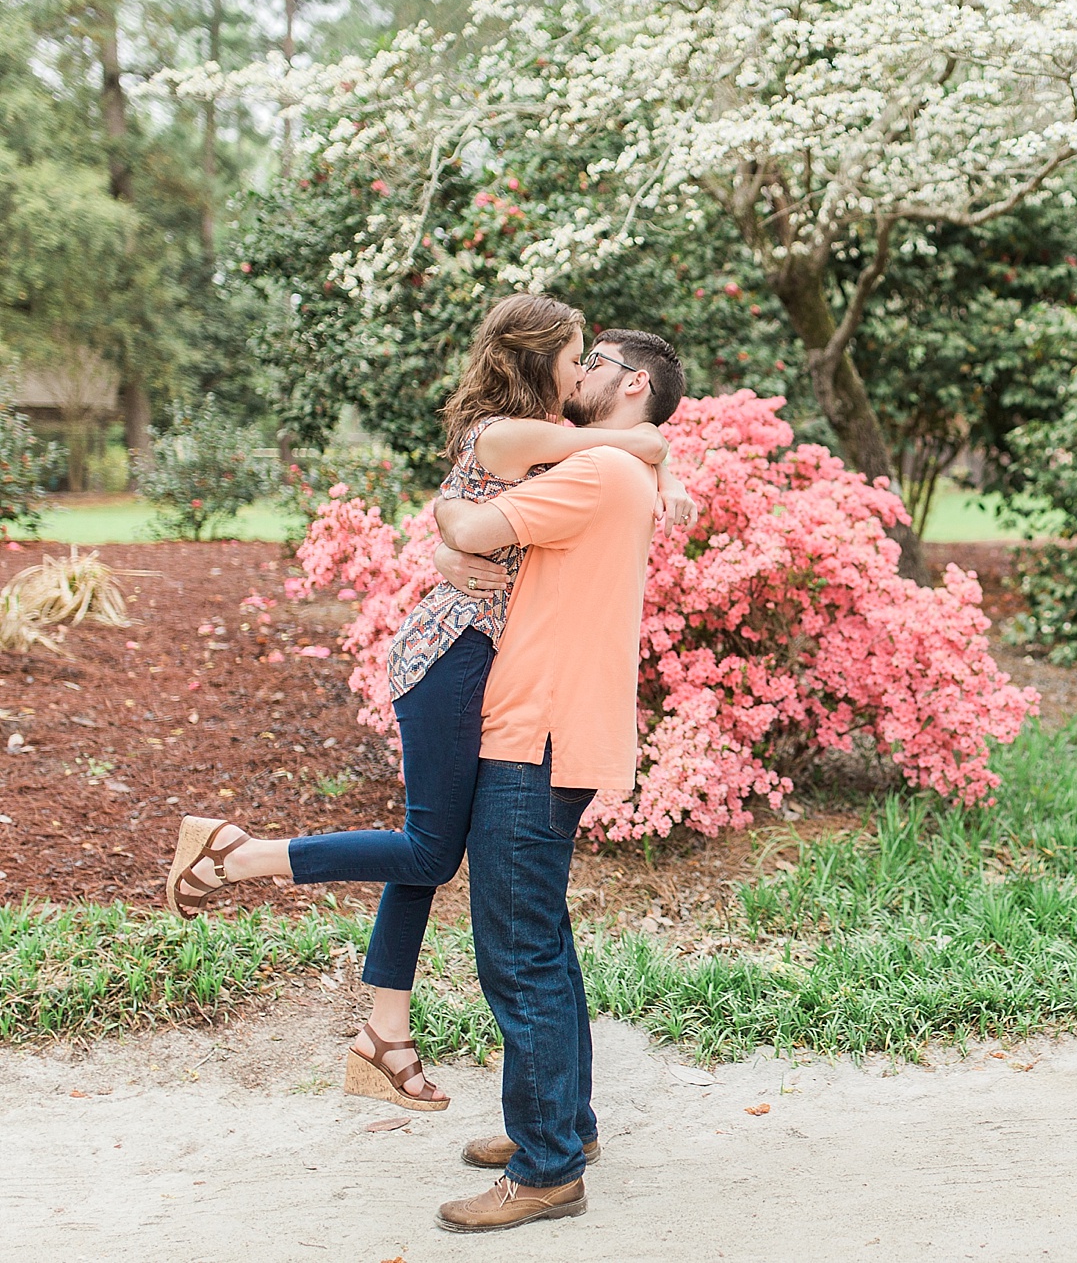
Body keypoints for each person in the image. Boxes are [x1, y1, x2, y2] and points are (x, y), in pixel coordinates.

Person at [163, 296, 695, 1115]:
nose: (582, 370)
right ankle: (235, 855)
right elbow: (621, 444)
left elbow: (611, 450)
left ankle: (385, 1032)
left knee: (430, 843)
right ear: (540, 357)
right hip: (452, 651)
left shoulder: (549, 440)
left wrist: (657, 466)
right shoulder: (518, 434)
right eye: (576, 355)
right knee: (427, 848)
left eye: (594, 361)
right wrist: (652, 457)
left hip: (473, 654)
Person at [423, 327, 681, 1232]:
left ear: (634, 383)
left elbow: (466, 524)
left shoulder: (597, 472)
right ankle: (564, 1126)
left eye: (597, 361)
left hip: (536, 733)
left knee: (518, 953)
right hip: (556, 726)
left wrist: (454, 512)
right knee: (545, 941)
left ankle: (545, 1171)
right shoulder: (617, 467)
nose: (580, 371)